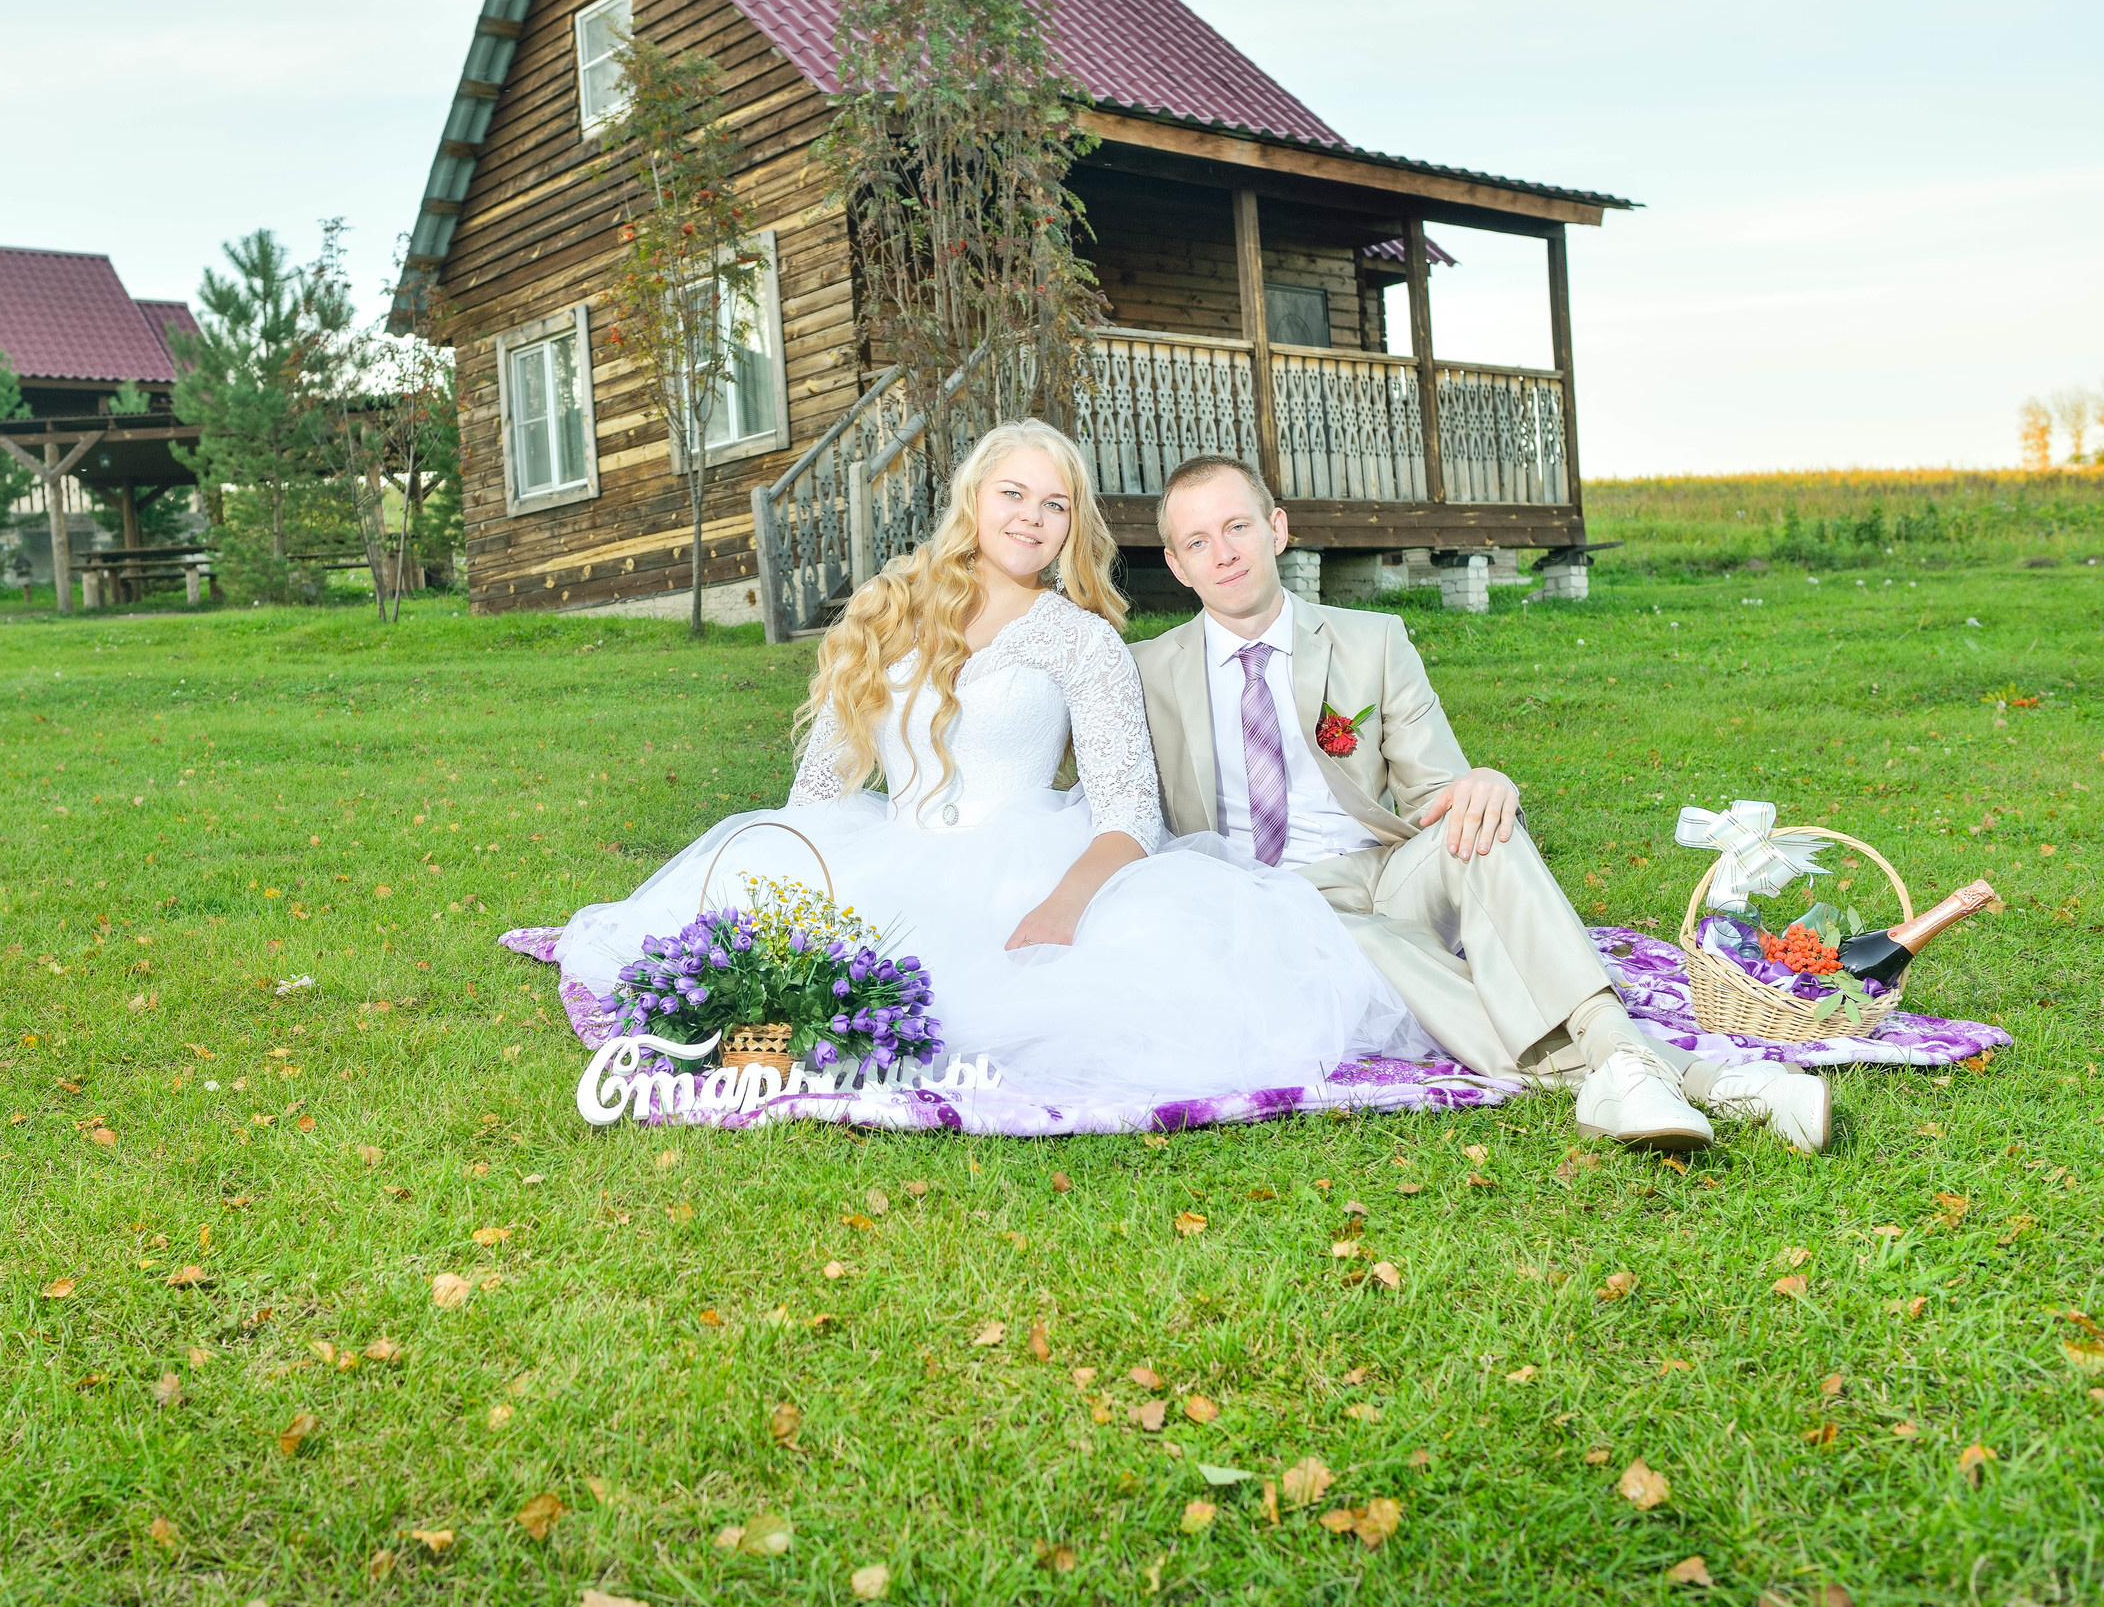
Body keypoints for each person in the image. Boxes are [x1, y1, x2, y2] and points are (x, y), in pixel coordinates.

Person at [547, 419, 1448, 1132]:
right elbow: (820, 789)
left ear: (1072, 525)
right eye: (1013, 492)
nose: (1031, 516)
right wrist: (787, 884)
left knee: (1036, 1012)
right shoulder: (886, 610)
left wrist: (1060, 909)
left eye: (1055, 504)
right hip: (888, 853)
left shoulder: (1080, 639)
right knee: (757, 973)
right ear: (972, 498)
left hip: (1026, 861)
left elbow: (1129, 813)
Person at [1132, 453, 1831, 1152]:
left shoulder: (1371, 640)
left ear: (1276, 529)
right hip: (1267, 903)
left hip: (1385, 874)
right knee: (1358, 940)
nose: (1223, 554)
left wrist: (1485, 783)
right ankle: (1703, 1081)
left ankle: (1620, 1059)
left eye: (1237, 527)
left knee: (1484, 826)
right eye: (1198, 542)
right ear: (1176, 563)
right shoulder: (1147, 672)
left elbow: (1439, 792)